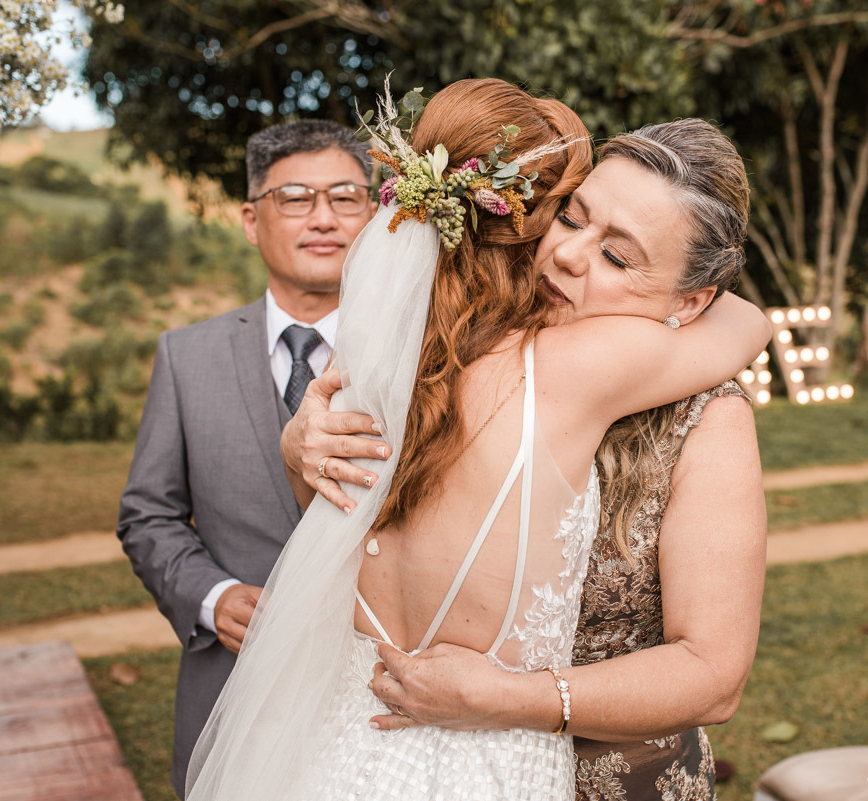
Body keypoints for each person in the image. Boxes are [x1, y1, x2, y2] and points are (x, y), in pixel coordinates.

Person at [185, 79, 770, 801]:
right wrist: (301, 447)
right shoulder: (442, 362)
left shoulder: (705, 414)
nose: (567, 256)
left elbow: (713, 674)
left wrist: (507, 698)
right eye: (569, 218)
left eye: (618, 256)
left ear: (693, 299)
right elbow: (349, 526)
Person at [116, 119, 374, 798]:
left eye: (346, 197)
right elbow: (148, 514)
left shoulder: (424, 360)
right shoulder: (186, 355)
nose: (323, 217)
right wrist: (212, 595)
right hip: (230, 697)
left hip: (375, 702)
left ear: (376, 215)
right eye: (295, 198)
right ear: (251, 219)